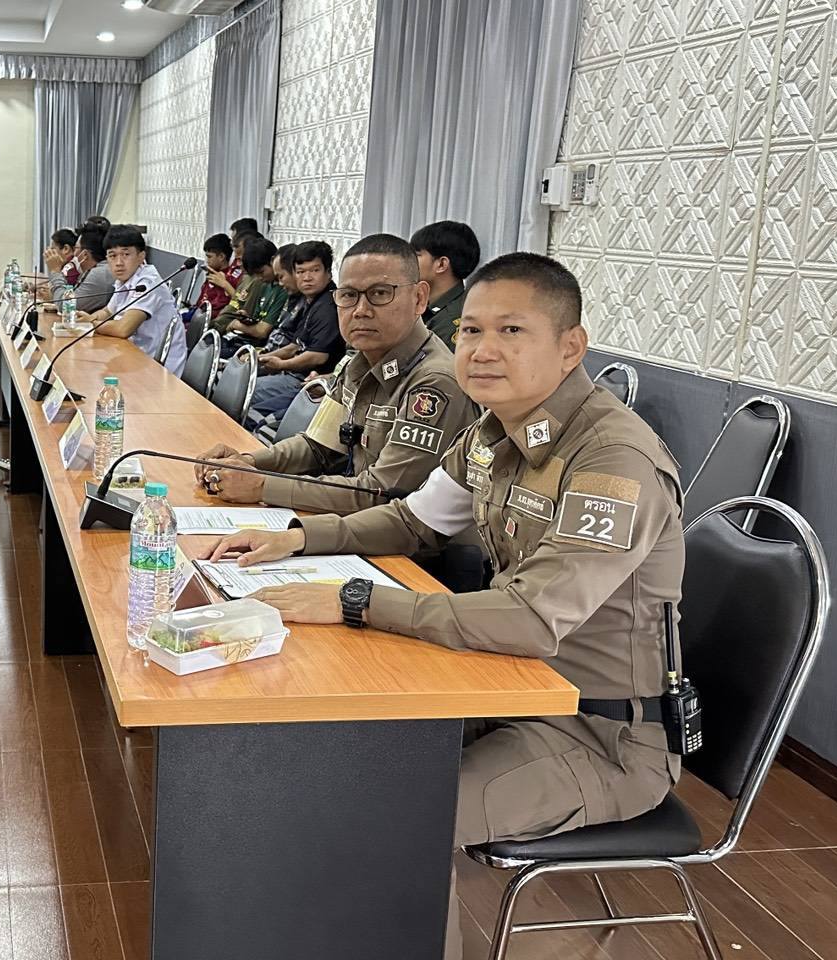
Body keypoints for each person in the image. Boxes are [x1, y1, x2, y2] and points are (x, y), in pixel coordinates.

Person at [200, 252, 685, 960]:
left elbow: (530, 618)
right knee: (322, 756)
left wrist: (356, 601)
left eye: (511, 331)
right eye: (470, 331)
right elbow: (413, 520)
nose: (482, 350)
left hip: (597, 733)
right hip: (500, 687)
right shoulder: (494, 431)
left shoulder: (612, 459)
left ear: (570, 346)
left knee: (396, 821)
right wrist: (299, 536)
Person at [195, 233, 477, 518]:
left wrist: (262, 486)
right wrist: (247, 462)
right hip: (353, 521)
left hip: (401, 539)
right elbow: (318, 446)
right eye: (349, 296)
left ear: (419, 298)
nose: (361, 311)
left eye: (380, 293)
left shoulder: (434, 383)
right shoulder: (359, 362)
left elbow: (379, 492)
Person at [243, 240, 343, 428]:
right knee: (238, 384)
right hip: (294, 375)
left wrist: (281, 364)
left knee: (242, 394)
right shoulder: (311, 301)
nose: (307, 278)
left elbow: (317, 356)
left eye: (315, 270)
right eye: (301, 272)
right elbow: (295, 345)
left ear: (328, 272)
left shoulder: (329, 305)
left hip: (307, 381)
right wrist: (261, 357)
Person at [86, 224, 188, 374]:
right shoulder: (126, 280)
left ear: (141, 256)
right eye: (112, 256)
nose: (119, 262)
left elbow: (123, 329)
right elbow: (108, 311)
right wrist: (89, 319)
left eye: (126, 254)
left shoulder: (148, 283)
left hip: (159, 368)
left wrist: (90, 325)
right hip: (137, 355)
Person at [410, 220, 481, 349]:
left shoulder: (455, 320)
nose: (408, 262)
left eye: (416, 255)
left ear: (441, 264)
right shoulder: (428, 308)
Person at [220, 237, 287, 351]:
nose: (259, 278)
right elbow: (257, 319)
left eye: (261, 272)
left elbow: (262, 332)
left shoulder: (283, 290)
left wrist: (237, 325)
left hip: (260, 347)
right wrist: (246, 318)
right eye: (255, 274)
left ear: (273, 261)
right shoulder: (265, 285)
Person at [40, 226, 114, 314]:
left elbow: (66, 306)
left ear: (85, 254)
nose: (74, 254)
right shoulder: (98, 270)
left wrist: (55, 271)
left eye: (76, 248)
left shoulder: (99, 274)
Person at [195, 234, 235, 317]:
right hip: (198, 314)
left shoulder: (229, 279)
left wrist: (225, 285)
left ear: (221, 257)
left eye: (209, 257)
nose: (207, 261)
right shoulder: (211, 273)